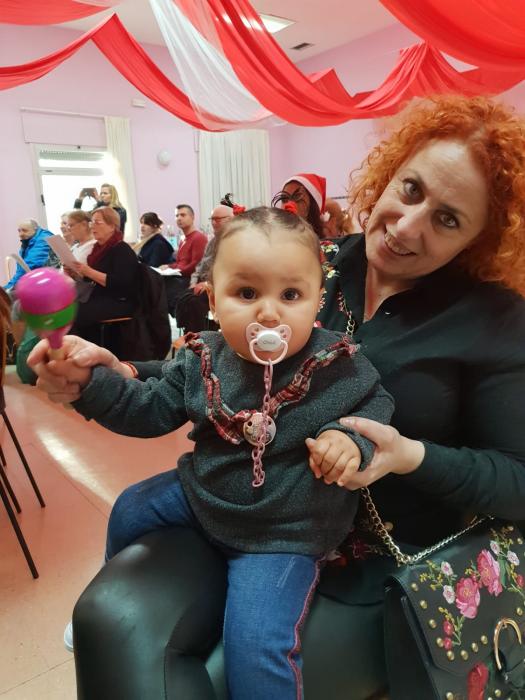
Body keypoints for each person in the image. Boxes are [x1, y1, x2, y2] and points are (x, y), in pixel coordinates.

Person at [28, 94, 525, 698]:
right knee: (111, 622)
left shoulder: (494, 321)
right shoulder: (312, 262)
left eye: (448, 219)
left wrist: (407, 456)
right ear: (390, 172)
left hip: (369, 556)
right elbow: (218, 364)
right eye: (411, 189)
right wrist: (117, 373)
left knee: (249, 654)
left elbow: (516, 479)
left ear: (478, 238)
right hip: (234, 499)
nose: (406, 226)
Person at [29, 205, 394, 698]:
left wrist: (349, 440)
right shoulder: (202, 357)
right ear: (214, 301)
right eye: (247, 293)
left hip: (284, 532)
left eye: (291, 295)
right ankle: (108, 577)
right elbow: (148, 409)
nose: (269, 313)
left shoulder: (338, 363)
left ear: (316, 300)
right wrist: (90, 385)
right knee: (132, 506)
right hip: (204, 494)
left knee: (257, 647)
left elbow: (377, 406)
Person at [68, 206, 139, 344]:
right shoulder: (99, 249)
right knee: (67, 308)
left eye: (97, 222)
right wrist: (75, 274)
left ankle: (83, 351)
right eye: (91, 222)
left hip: (119, 301)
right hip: (101, 297)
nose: (92, 226)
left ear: (112, 226)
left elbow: (121, 284)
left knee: (73, 313)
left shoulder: (121, 249)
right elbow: (91, 279)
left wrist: (88, 271)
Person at [174, 202, 234, 333]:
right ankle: (191, 333)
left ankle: (198, 336)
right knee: (183, 297)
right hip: (203, 283)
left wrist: (207, 284)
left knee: (193, 302)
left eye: (217, 219)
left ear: (231, 219)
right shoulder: (212, 241)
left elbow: (230, 270)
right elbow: (199, 267)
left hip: (220, 285)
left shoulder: (235, 241)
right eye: (212, 219)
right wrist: (193, 283)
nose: (213, 222)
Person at [162, 203, 208, 316]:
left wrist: (176, 271)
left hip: (190, 279)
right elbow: (180, 262)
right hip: (181, 276)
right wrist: (168, 267)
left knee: (163, 287)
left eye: (183, 215)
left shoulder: (199, 237)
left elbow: (196, 265)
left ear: (192, 217)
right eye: (177, 215)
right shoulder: (183, 239)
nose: (179, 218)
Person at [272, 173, 328, 239]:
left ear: (313, 206)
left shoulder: (324, 245)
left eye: (297, 197)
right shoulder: (273, 241)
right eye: (284, 199)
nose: (288, 204)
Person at [4, 219, 54, 291]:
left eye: (25, 230)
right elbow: (21, 269)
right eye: (19, 231)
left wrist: (8, 287)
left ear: (35, 229)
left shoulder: (43, 239)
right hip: (36, 281)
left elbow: (29, 265)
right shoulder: (27, 241)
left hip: (45, 285)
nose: (20, 234)